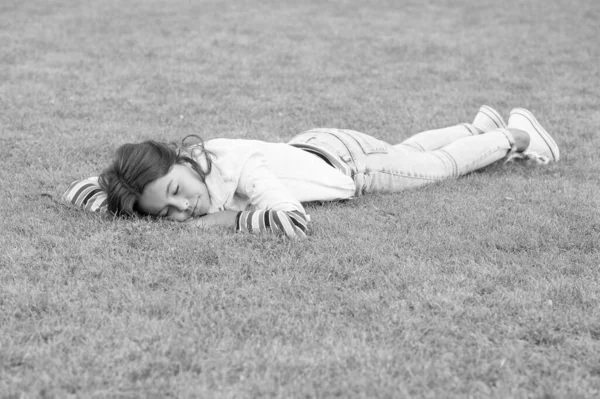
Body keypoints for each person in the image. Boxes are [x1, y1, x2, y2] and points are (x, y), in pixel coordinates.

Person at [64, 106, 559, 239]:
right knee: (406, 149)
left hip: (352, 165)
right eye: (166, 212)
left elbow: (290, 222)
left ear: (178, 158)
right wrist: (113, 197)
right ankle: (477, 125)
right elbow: (81, 190)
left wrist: (215, 223)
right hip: (320, 144)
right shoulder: (194, 170)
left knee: (435, 168)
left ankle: (513, 137)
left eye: (176, 191)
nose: (183, 207)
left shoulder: (238, 170)